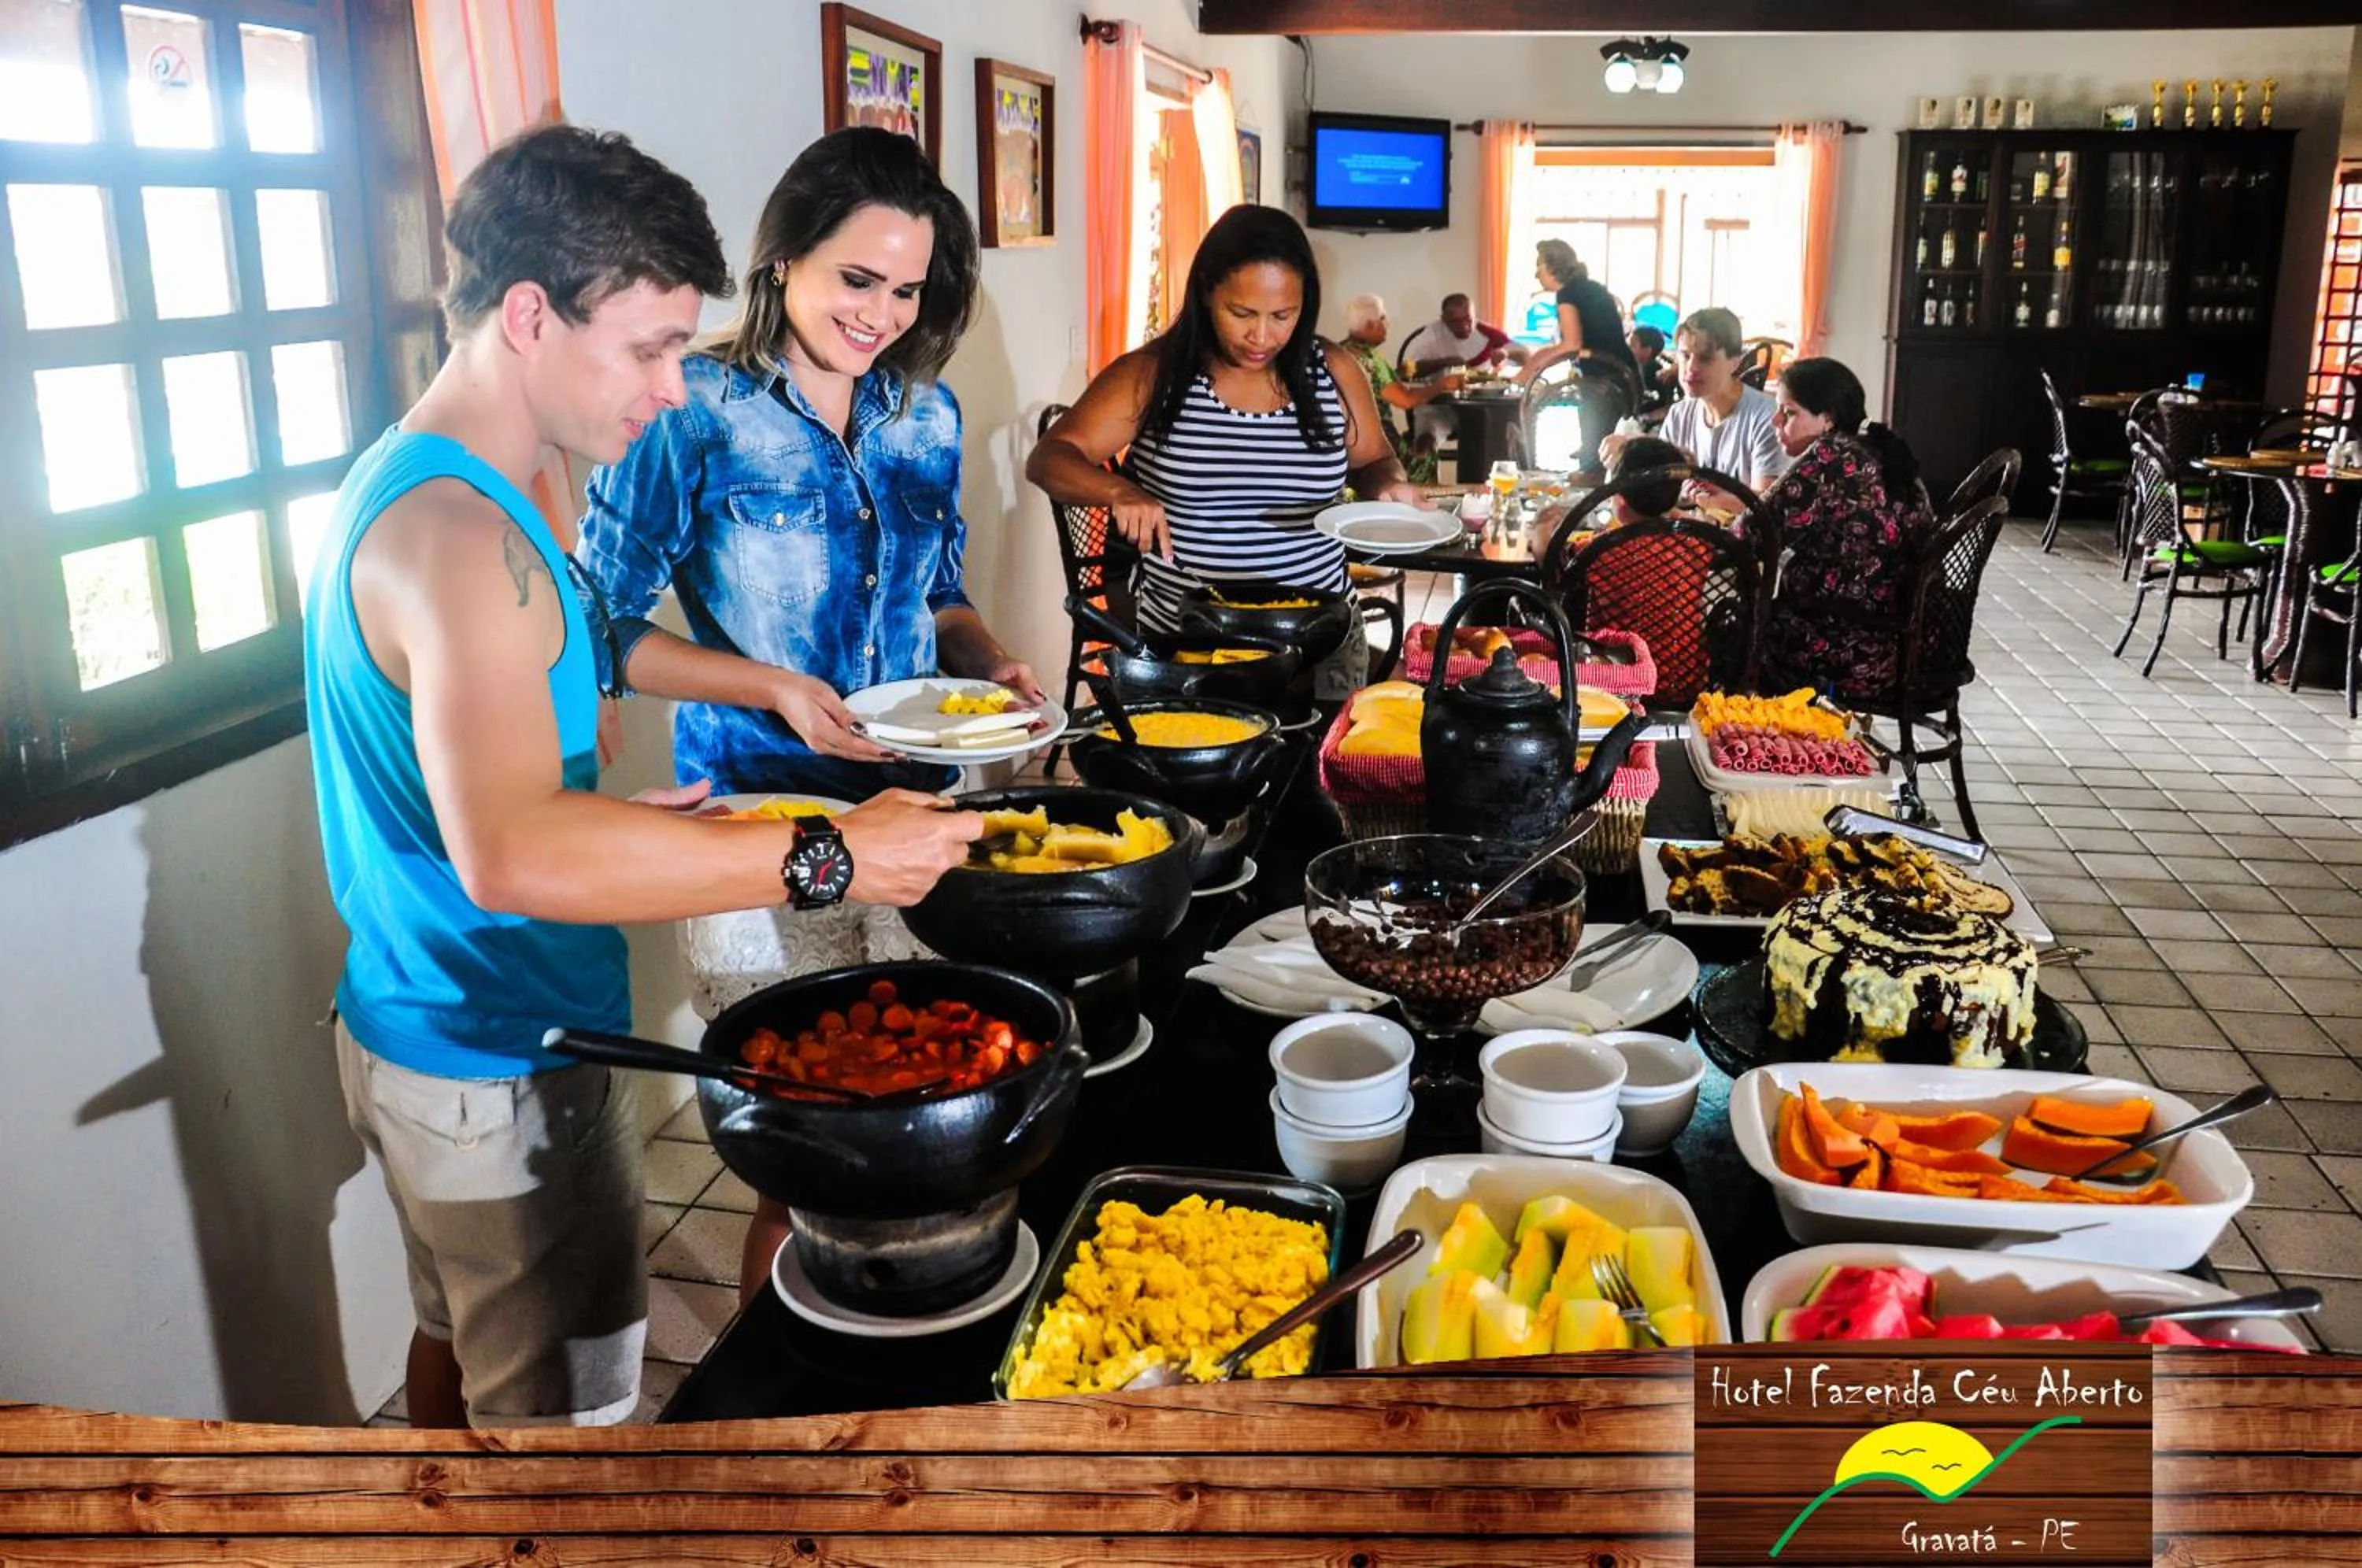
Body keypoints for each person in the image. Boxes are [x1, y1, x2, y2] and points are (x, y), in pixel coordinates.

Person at [304, 124, 979, 1429]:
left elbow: (485, 803)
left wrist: (630, 823)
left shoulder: (462, 487)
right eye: (649, 347)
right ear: (527, 316)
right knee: (568, 1431)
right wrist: (828, 853)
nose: (675, 385)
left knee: (452, 1340)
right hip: (491, 1055)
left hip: (434, 1017)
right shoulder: (460, 538)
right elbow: (512, 855)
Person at [576, 127, 1038, 806]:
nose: (881, 317)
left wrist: (992, 666)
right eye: (858, 281)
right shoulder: (691, 407)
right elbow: (599, 622)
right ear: (786, 258)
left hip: (918, 797)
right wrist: (776, 690)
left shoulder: (929, 415)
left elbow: (937, 598)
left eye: (906, 292)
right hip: (758, 803)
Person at [1026, 205, 1421, 694]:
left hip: (1319, 640)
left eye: (1283, 315)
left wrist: (1391, 488)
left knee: (1320, 767)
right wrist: (1118, 491)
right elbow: (1050, 456)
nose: (1262, 336)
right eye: (1242, 314)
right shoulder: (1155, 376)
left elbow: (1375, 462)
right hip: (1187, 643)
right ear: (1208, 293)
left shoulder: (1333, 371)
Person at [1757, 357, 1939, 701]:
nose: (1775, 421)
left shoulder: (1831, 459)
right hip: (1906, 646)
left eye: (1790, 412)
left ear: (1828, 418)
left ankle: (1752, 741)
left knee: (1726, 626)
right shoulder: (1880, 450)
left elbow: (1750, 535)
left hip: (1846, 651)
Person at [1655, 307, 1790, 498]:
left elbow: (1765, 506)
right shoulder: (1679, 415)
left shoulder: (1766, 419)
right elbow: (1659, 486)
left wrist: (1717, 498)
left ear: (1735, 363)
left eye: (1705, 359)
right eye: (1685, 356)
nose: (1691, 368)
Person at [1340, 292, 1460, 486]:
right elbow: (1407, 400)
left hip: (1346, 444)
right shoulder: (1371, 359)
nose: (1388, 323)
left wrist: (1398, 373)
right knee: (1426, 456)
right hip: (1377, 445)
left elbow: (1369, 385)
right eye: (1383, 318)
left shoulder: (1341, 352)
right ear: (1371, 325)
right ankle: (1424, 508)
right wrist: (1444, 384)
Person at [1515, 239, 1639, 394]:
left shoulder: (1567, 293)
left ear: (1553, 267)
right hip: (1624, 377)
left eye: (1539, 266)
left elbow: (1572, 345)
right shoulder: (1590, 287)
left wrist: (1530, 368)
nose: (1536, 274)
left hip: (1609, 384)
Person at [1402, 292, 1530, 379]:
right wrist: (1443, 363)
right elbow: (1406, 371)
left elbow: (1528, 358)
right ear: (1444, 319)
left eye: (1468, 319)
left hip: (1481, 401)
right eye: (1455, 322)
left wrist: (1507, 353)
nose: (1464, 327)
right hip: (1439, 403)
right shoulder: (1432, 334)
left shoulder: (1487, 333)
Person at [1626, 324, 1678, 415]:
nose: (1627, 349)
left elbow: (1664, 403)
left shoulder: (1656, 373)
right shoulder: (1633, 368)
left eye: (1632, 345)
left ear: (1647, 351)